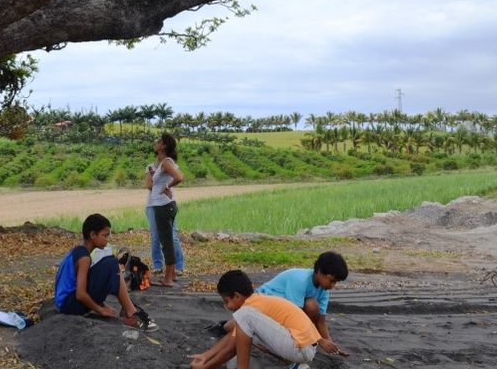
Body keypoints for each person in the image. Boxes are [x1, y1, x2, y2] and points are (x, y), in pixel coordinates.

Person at [189, 270, 320, 369]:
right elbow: (232, 340)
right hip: (303, 348)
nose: (226, 306)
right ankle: (295, 365)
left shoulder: (247, 311)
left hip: (301, 348)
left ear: (236, 296)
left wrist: (206, 366)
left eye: (226, 301)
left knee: (244, 317)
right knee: (247, 332)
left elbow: (230, 349)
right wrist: (206, 356)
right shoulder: (255, 302)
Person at [53, 213, 157, 331]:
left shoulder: (78, 251)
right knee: (112, 263)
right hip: (70, 306)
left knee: (111, 263)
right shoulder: (84, 258)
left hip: (65, 304)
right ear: (93, 235)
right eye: (105, 236)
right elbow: (80, 294)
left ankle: (127, 308)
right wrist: (100, 309)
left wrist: (102, 304)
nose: (107, 240)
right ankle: (130, 313)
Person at [252, 252, 349, 356]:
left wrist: (331, 345)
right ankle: (263, 339)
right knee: (310, 306)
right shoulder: (300, 280)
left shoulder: (324, 289)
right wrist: (319, 340)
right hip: (259, 306)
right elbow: (295, 317)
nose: (333, 285)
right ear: (320, 272)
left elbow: (321, 321)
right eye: (332, 280)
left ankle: (296, 339)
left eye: (336, 282)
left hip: (281, 309)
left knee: (312, 306)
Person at [145, 132, 184, 287]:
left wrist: (167, 186)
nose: (156, 142)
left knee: (166, 241)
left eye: (159, 141)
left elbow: (180, 177)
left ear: (164, 146)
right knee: (166, 239)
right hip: (163, 204)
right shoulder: (163, 163)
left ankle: (167, 279)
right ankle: (172, 274)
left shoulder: (166, 162)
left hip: (163, 205)